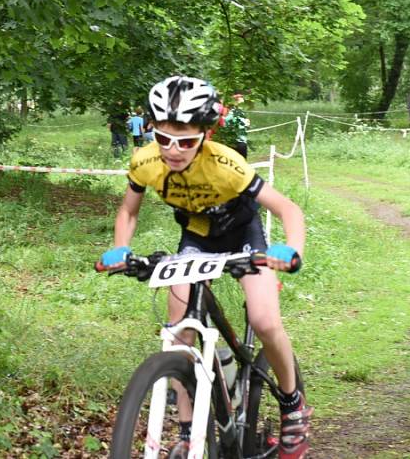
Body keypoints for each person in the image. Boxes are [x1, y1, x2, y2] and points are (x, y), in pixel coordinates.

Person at [100, 76, 312, 459]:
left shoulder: (226, 165)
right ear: (152, 130)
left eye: (185, 141)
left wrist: (291, 250)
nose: (173, 150)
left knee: (264, 321)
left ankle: (292, 403)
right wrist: (121, 248)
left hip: (244, 236)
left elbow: (287, 209)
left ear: (205, 134)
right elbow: (128, 210)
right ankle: (186, 431)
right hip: (196, 239)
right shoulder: (145, 162)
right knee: (178, 332)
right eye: (164, 138)